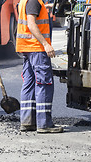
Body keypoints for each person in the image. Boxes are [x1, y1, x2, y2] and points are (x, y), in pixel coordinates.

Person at [16, 0, 63, 133]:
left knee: (29, 83)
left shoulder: (27, 1)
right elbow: (31, 24)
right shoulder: (33, 1)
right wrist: (46, 44)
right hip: (36, 47)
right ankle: (44, 124)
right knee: (44, 83)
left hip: (27, 47)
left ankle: (27, 122)